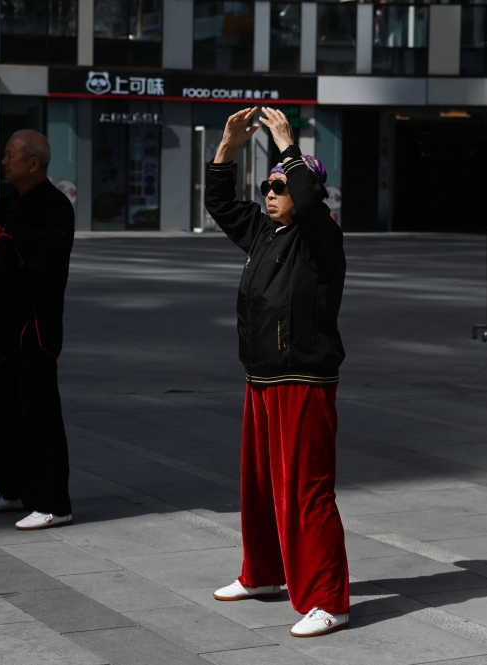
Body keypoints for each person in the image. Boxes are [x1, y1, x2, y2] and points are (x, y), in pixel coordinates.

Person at [205, 107, 349, 638]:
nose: (270, 194)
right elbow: (219, 202)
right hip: (261, 377)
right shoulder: (266, 232)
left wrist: (287, 144)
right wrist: (227, 147)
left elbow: (311, 201)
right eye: (266, 185)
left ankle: (329, 600)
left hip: (304, 380)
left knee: (307, 491)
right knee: (260, 487)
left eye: (280, 186)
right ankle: (264, 575)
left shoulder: (320, 238)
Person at [0, 129, 75, 531]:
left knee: (38, 415)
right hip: (4, 329)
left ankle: (53, 502)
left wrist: (1, 234)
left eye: (9, 155)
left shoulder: (56, 206)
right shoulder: (14, 202)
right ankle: (13, 491)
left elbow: (47, 248)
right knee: (3, 413)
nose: (4, 161)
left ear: (33, 163)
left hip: (34, 331)